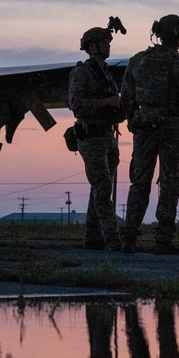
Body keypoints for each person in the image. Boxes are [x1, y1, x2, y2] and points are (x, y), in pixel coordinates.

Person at [119, 15, 179, 255]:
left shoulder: (137, 61)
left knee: (139, 182)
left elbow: (126, 97)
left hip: (143, 128)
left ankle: (129, 237)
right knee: (170, 182)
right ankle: (163, 239)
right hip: (171, 129)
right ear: (177, 34)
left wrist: (136, 119)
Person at [68, 26, 125, 251]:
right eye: (104, 42)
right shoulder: (82, 73)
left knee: (101, 188)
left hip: (107, 137)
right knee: (101, 187)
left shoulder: (105, 73)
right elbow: (76, 105)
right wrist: (106, 102)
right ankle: (112, 239)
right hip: (91, 137)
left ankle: (93, 237)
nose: (108, 46)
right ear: (92, 46)